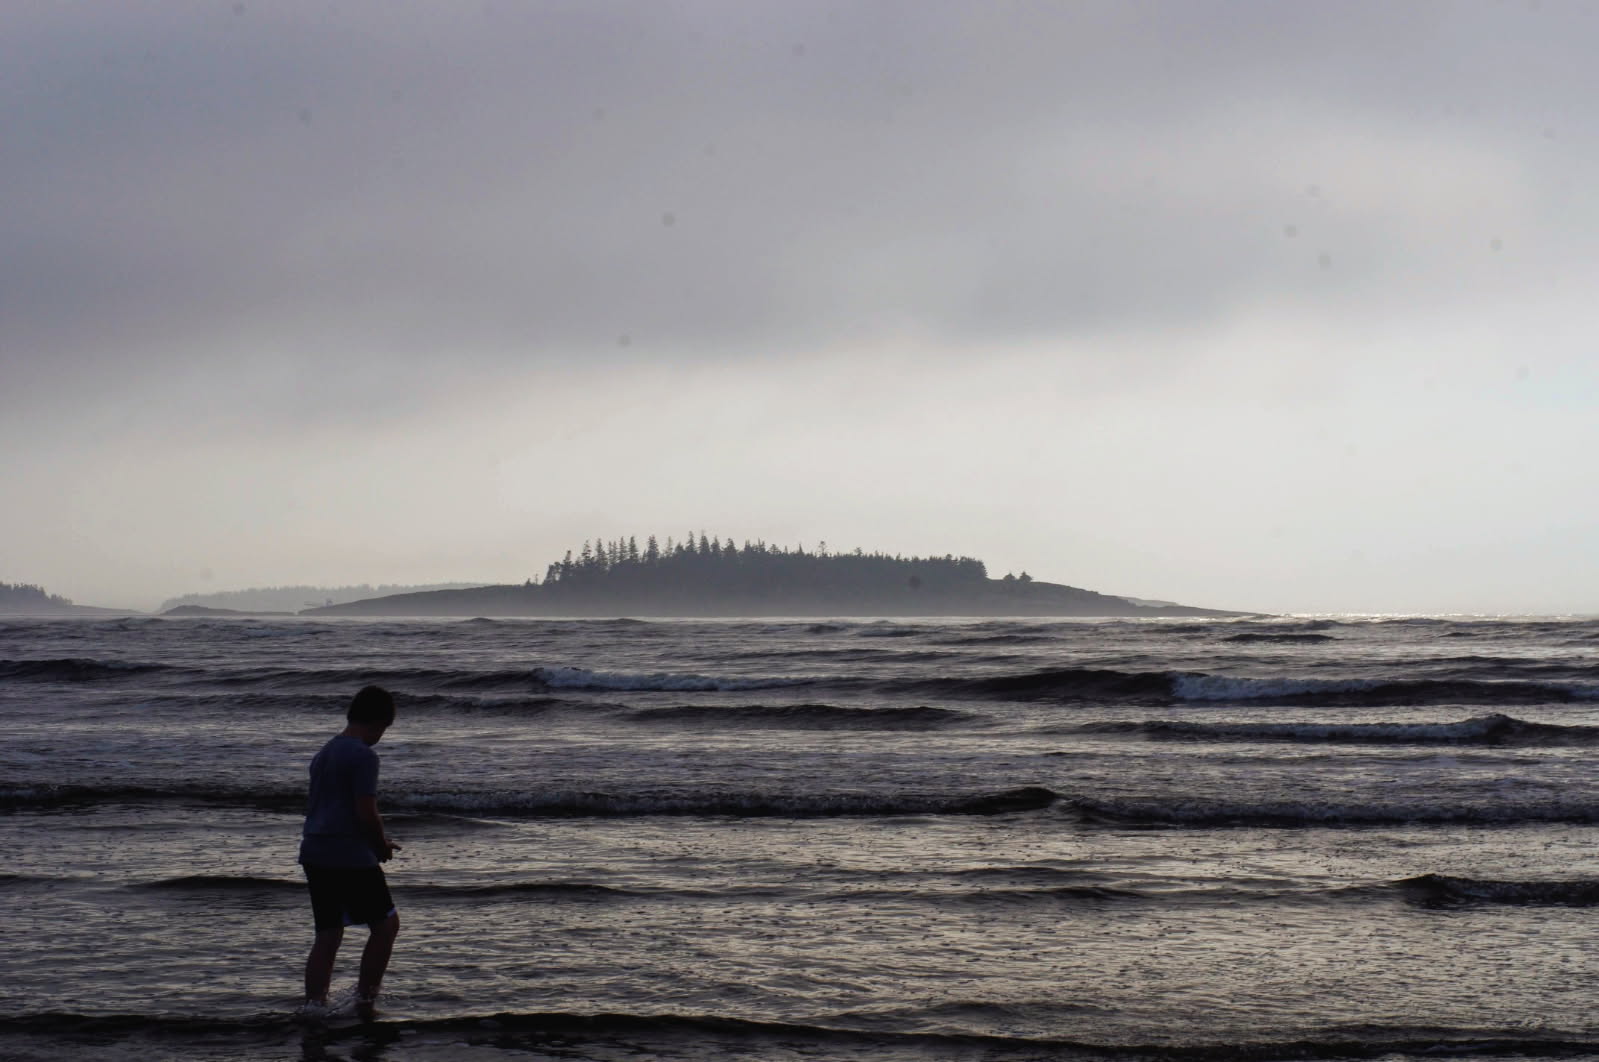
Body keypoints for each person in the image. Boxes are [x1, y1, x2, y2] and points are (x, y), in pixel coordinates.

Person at [298, 685, 402, 1019]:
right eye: (384, 729)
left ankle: (314, 1006)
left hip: (315, 850)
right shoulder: (363, 755)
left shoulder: (325, 751)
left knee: (328, 933)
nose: (381, 736)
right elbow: (365, 812)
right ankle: (366, 1000)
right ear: (380, 722)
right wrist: (380, 846)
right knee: (386, 927)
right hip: (349, 854)